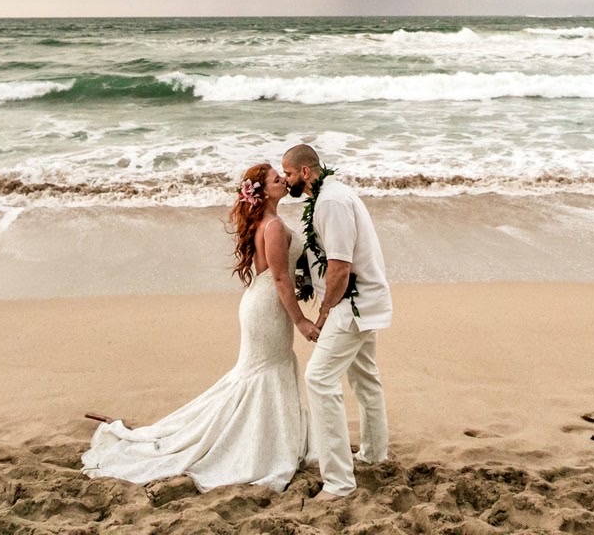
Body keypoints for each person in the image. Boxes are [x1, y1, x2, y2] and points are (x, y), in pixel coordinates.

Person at [82, 164, 318, 492]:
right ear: (262, 193)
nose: (283, 181)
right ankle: (255, 446)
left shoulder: (269, 222)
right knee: (262, 373)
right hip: (268, 309)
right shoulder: (274, 226)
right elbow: (279, 278)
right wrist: (302, 320)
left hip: (261, 305)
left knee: (261, 372)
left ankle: (272, 438)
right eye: (276, 179)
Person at [282, 142, 391, 498]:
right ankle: (374, 455)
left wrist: (325, 311)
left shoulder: (330, 202)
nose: (286, 181)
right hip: (366, 298)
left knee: (318, 379)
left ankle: (339, 482)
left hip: (353, 304)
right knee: (365, 378)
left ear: (306, 172)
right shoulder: (331, 193)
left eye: (288, 173)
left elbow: (340, 268)